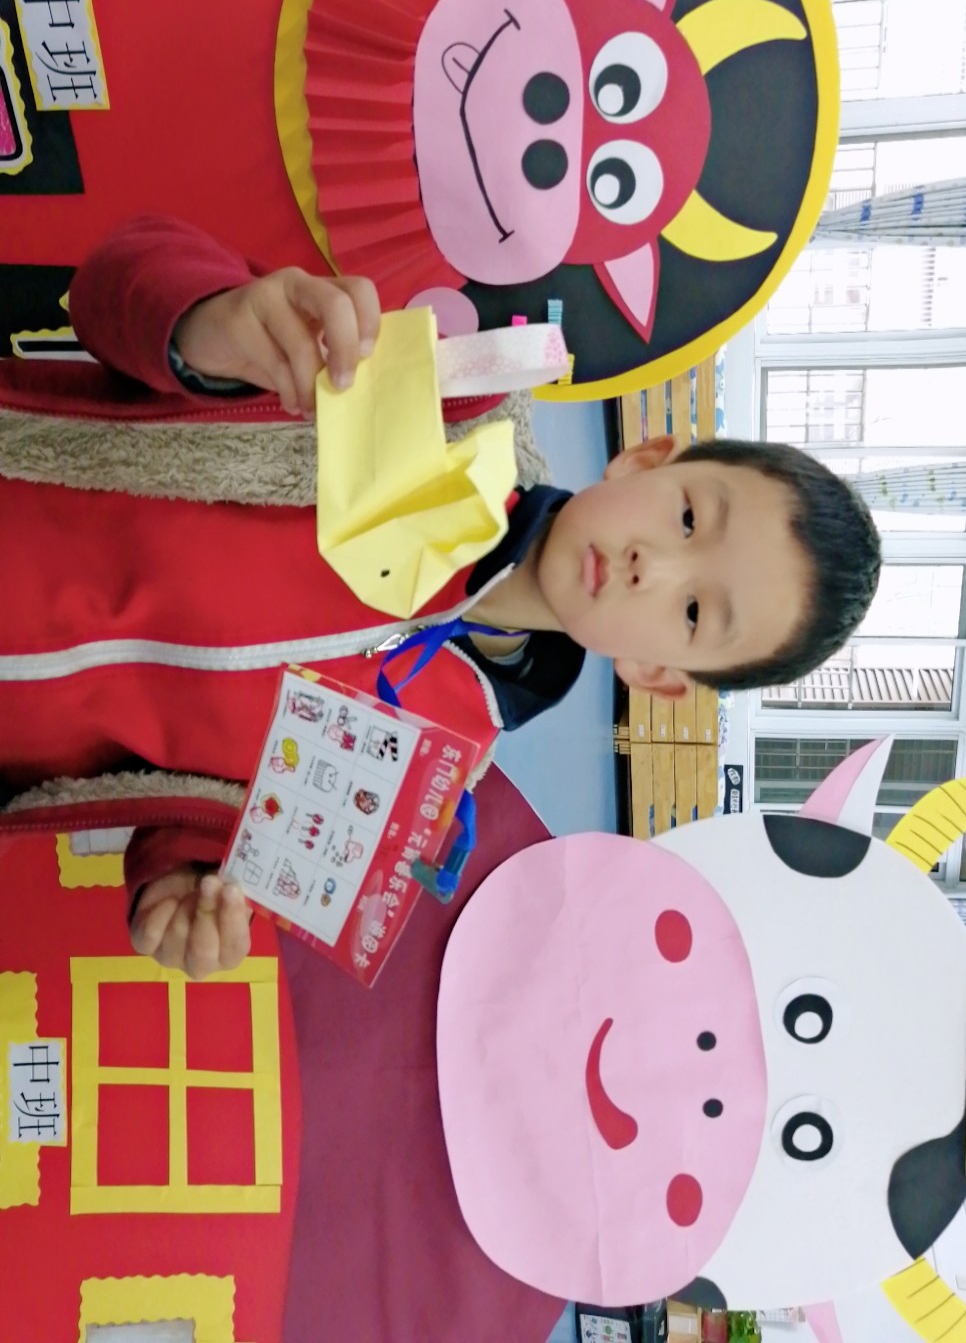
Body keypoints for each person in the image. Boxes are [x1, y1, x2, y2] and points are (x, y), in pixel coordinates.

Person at [0, 215, 880, 978]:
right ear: (646, 459)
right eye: (688, 517)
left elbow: (190, 818)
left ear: (655, 673)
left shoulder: (422, 781)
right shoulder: (432, 402)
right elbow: (118, 275)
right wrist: (207, 320)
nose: (655, 567)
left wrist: (182, 892)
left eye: (693, 614)